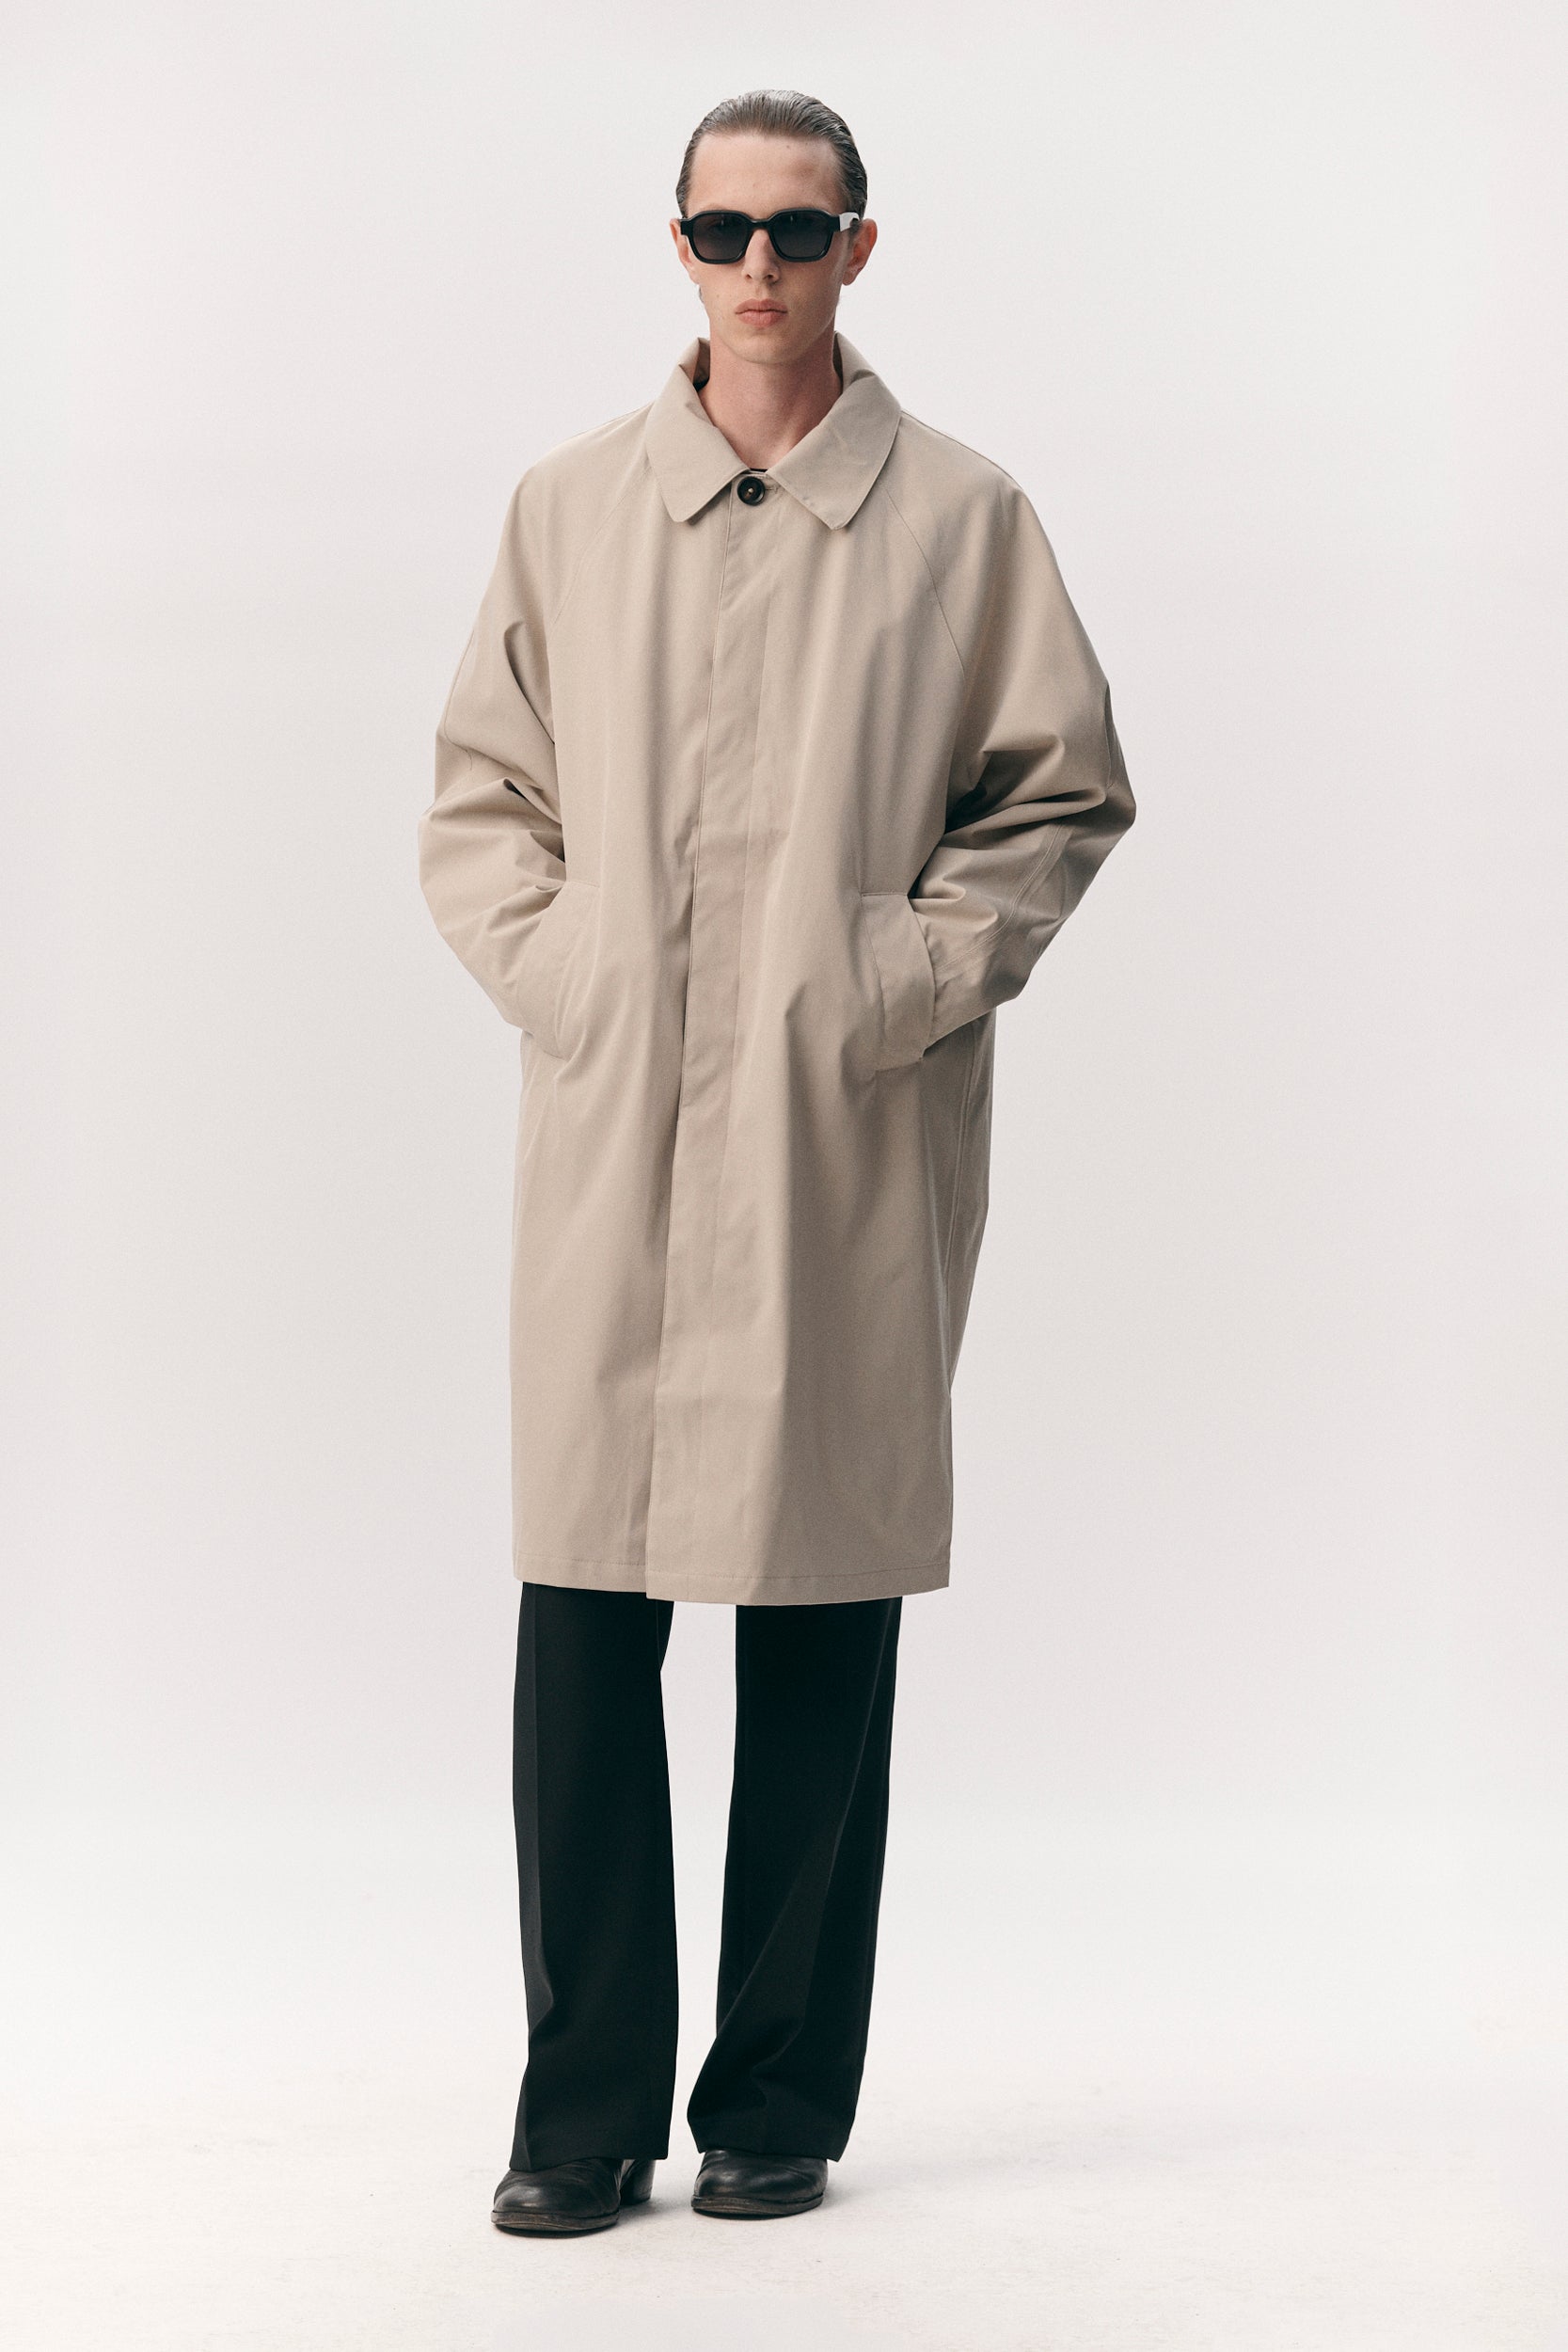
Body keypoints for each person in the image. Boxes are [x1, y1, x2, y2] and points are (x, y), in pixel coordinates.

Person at [417, 87, 1135, 2237]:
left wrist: (894, 977)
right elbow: (483, 797)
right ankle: (578, 2111)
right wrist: (576, 974)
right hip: (619, 1126)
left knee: (820, 1603)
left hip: (840, 1129)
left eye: (797, 231)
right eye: (723, 229)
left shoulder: (961, 518)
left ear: (858, 247)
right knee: (585, 1602)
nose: (759, 267)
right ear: (679, 244)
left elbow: (1057, 792)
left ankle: (776, 2100)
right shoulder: (570, 507)